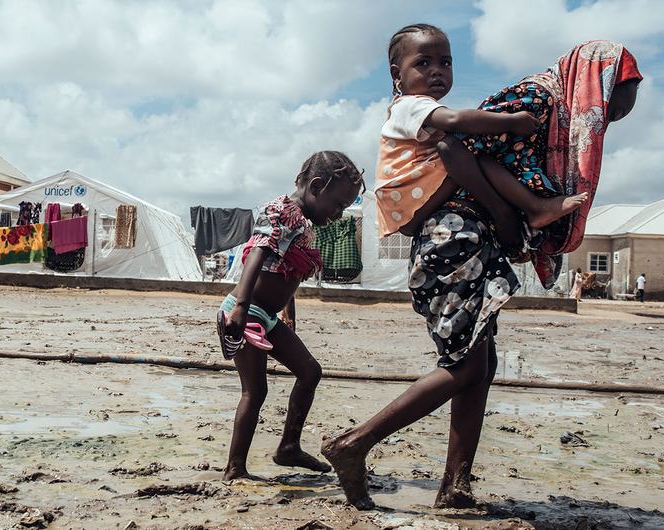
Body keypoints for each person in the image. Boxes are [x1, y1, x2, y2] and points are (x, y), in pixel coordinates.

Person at [322, 36, 642, 510]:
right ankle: (354, 444)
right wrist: (512, 216)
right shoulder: (532, 100)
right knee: (466, 365)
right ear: (596, 87)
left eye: (445, 62)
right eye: (608, 110)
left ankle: (455, 485)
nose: (602, 121)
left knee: (481, 366)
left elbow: (468, 158)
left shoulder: (535, 108)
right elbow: (462, 154)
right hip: (453, 241)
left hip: (465, 241)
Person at [374, 23, 589, 259]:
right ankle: (523, 210)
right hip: (409, 201)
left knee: (472, 155)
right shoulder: (409, 105)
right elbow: (456, 119)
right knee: (460, 149)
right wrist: (510, 121)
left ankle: (517, 238)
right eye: (423, 63)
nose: (436, 70)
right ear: (397, 75)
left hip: (411, 203)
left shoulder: (416, 106)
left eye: (445, 62)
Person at [216, 151, 365, 481]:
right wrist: (240, 307)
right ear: (316, 186)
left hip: (268, 316)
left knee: (310, 372)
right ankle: (235, 469)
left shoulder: (304, 222)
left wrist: (288, 313)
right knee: (255, 392)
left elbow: (288, 272)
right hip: (246, 313)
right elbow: (259, 250)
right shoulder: (283, 212)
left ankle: (288, 447)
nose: (339, 214)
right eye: (338, 205)